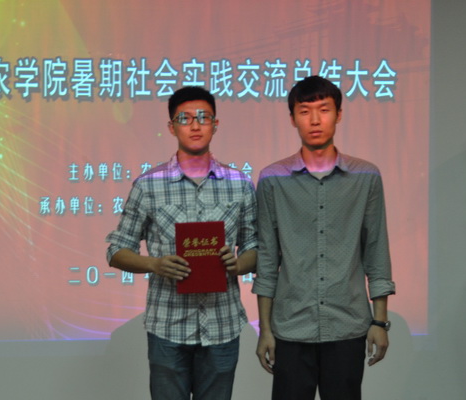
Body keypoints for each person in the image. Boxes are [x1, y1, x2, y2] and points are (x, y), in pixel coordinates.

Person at [106, 86, 257, 400]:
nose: (195, 125)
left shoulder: (240, 184)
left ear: (215, 124)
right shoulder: (148, 185)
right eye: (185, 118)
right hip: (168, 325)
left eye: (203, 117)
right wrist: (154, 264)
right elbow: (116, 250)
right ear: (171, 127)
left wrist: (238, 264)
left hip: (222, 324)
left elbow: (255, 247)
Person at [252, 76, 396, 400]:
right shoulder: (273, 179)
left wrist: (380, 322)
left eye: (324, 109)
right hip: (291, 326)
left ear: (339, 114)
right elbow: (267, 258)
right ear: (293, 118)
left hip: (347, 324)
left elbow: (376, 250)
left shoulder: (366, 176)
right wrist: (265, 329)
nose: (315, 120)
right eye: (305, 111)